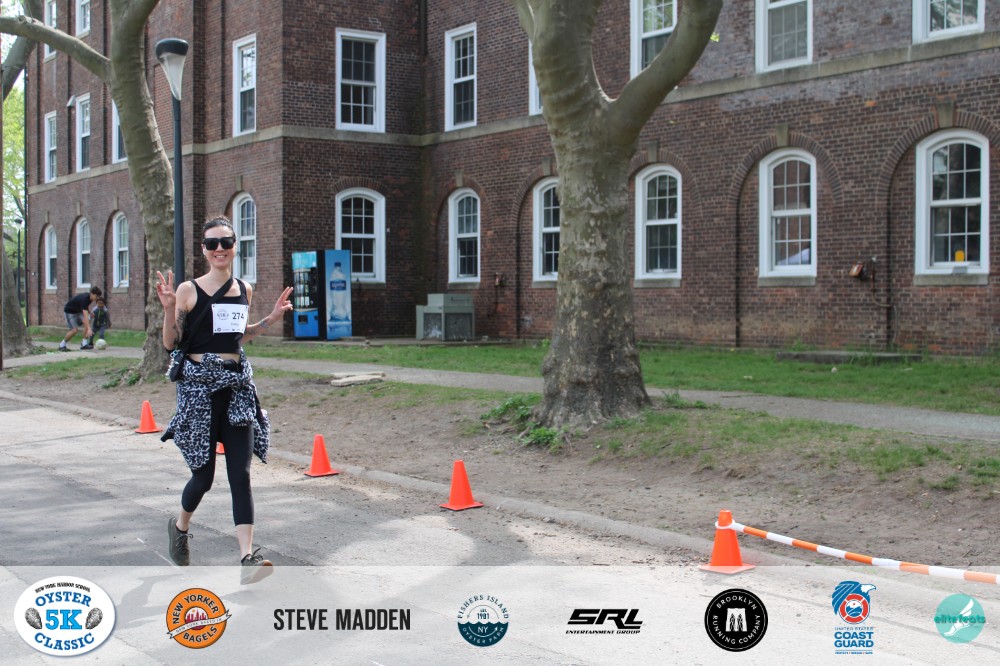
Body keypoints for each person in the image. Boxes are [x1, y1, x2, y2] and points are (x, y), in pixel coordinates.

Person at [155, 216, 292, 584]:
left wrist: (271, 318)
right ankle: (180, 527)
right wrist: (168, 309)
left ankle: (247, 558)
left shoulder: (243, 289)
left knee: (240, 475)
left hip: (236, 390)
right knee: (203, 477)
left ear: (234, 246)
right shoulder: (187, 290)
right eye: (212, 243)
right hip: (199, 391)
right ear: (204, 249)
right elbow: (171, 344)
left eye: (226, 242)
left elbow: (236, 336)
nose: (219, 249)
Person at [60, 286, 102, 351]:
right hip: (69, 311)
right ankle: (62, 345)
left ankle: (84, 344)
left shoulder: (90, 298)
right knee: (74, 330)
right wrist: (89, 329)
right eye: (96, 296)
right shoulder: (84, 299)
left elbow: (85, 307)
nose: (97, 298)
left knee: (88, 320)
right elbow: (85, 316)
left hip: (78, 311)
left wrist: (90, 312)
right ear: (92, 294)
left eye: (98, 296)